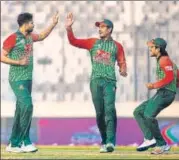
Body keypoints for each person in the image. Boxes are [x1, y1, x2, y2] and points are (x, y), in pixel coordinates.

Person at [65, 12, 127, 153]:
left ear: (110, 29)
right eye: (99, 27)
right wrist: (69, 29)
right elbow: (73, 41)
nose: (99, 29)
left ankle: (111, 141)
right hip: (95, 82)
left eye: (103, 27)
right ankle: (104, 140)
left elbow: (122, 61)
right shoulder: (93, 42)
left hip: (109, 82)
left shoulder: (117, 46)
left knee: (109, 110)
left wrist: (123, 69)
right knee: (100, 113)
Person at [1, 12, 59, 153]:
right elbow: (2, 56)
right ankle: (24, 141)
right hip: (17, 79)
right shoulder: (13, 38)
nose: (34, 25)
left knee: (21, 110)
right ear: (25, 23)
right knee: (27, 106)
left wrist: (53, 24)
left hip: (27, 79)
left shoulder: (29, 37)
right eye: (32, 23)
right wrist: (18, 62)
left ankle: (14, 144)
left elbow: (42, 36)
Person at [133, 38, 179, 154]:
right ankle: (149, 139)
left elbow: (169, 78)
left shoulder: (164, 60)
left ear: (158, 49)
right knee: (138, 111)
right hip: (164, 93)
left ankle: (161, 144)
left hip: (165, 93)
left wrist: (154, 85)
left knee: (148, 115)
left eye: (152, 47)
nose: (150, 49)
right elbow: (177, 75)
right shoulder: (167, 61)